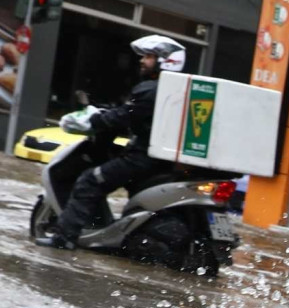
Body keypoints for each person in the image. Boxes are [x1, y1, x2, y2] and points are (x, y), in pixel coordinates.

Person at [36, 35, 187, 250]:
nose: (142, 61)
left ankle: (64, 238)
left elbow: (124, 117)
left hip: (143, 159)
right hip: (163, 161)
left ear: (166, 61)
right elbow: (136, 117)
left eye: (149, 57)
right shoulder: (179, 91)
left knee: (89, 181)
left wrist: (94, 121)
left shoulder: (152, 90)